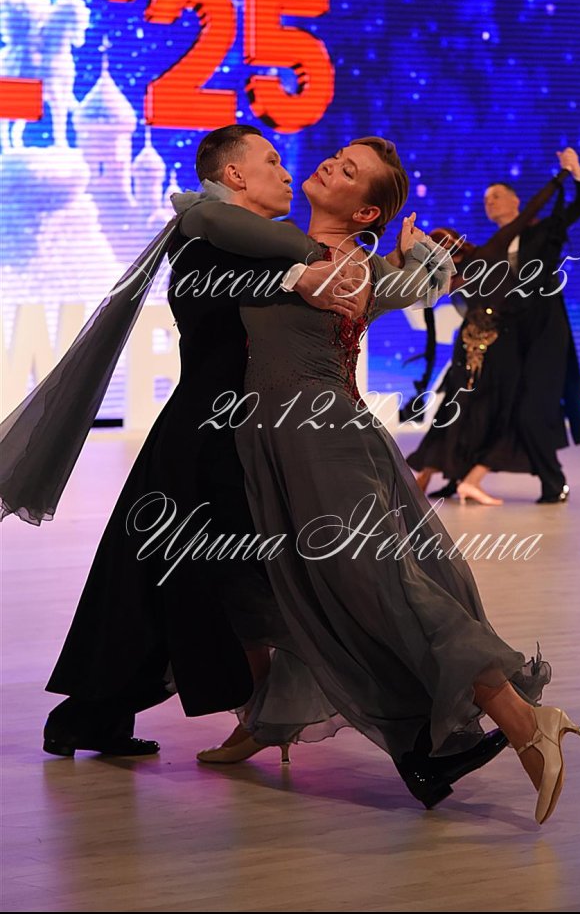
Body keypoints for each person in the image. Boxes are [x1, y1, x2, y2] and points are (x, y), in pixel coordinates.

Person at [2, 125, 508, 802]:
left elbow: (363, 288)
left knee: (187, 589)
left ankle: (106, 714)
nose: (287, 169)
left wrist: (410, 267)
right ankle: (407, 743)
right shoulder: (209, 237)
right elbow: (217, 255)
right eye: (270, 161)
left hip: (236, 442)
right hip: (210, 443)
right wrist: (305, 269)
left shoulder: (260, 242)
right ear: (235, 176)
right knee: (286, 596)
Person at [175, 138, 580, 822]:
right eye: (337, 156)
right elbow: (206, 219)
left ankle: (523, 720)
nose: (329, 164)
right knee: (290, 589)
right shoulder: (293, 248)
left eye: (349, 171)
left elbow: (211, 220)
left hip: (321, 442)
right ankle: (265, 721)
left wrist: (415, 264)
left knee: (386, 585)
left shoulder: (345, 267)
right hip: (275, 443)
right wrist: (416, 263)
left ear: (365, 211)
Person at [407, 159, 579, 504]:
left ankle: (457, 477)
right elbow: (424, 293)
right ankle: (455, 478)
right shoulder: (473, 264)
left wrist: (562, 177)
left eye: (495, 197)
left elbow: (534, 211)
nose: (489, 203)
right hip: (484, 345)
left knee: (480, 408)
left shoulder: (489, 253)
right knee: (470, 408)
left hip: (496, 343)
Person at [484, 148, 580, 503]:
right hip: (511, 332)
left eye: (496, 196)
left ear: (516, 201)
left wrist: (575, 173)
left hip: (546, 328)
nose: (490, 202)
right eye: (486, 199)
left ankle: (554, 480)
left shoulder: (542, 230)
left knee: (533, 409)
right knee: (507, 407)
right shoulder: (494, 247)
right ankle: (464, 479)